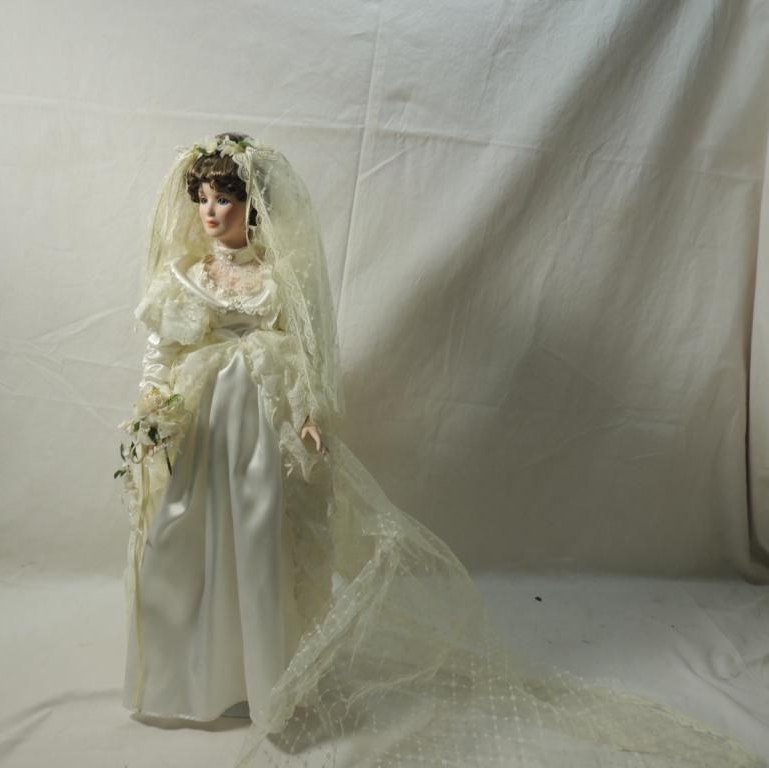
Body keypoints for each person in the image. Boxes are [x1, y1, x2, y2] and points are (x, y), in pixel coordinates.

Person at [118, 133, 764, 767]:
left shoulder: (277, 277)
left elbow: (309, 353)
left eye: (224, 199)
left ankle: (262, 677)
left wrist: (310, 416)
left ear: (250, 206)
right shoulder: (187, 276)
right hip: (206, 424)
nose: (210, 212)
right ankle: (201, 672)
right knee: (195, 536)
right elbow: (162, 349)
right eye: (203, 199)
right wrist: (153, 411)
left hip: (262, 424)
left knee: (259, 540)